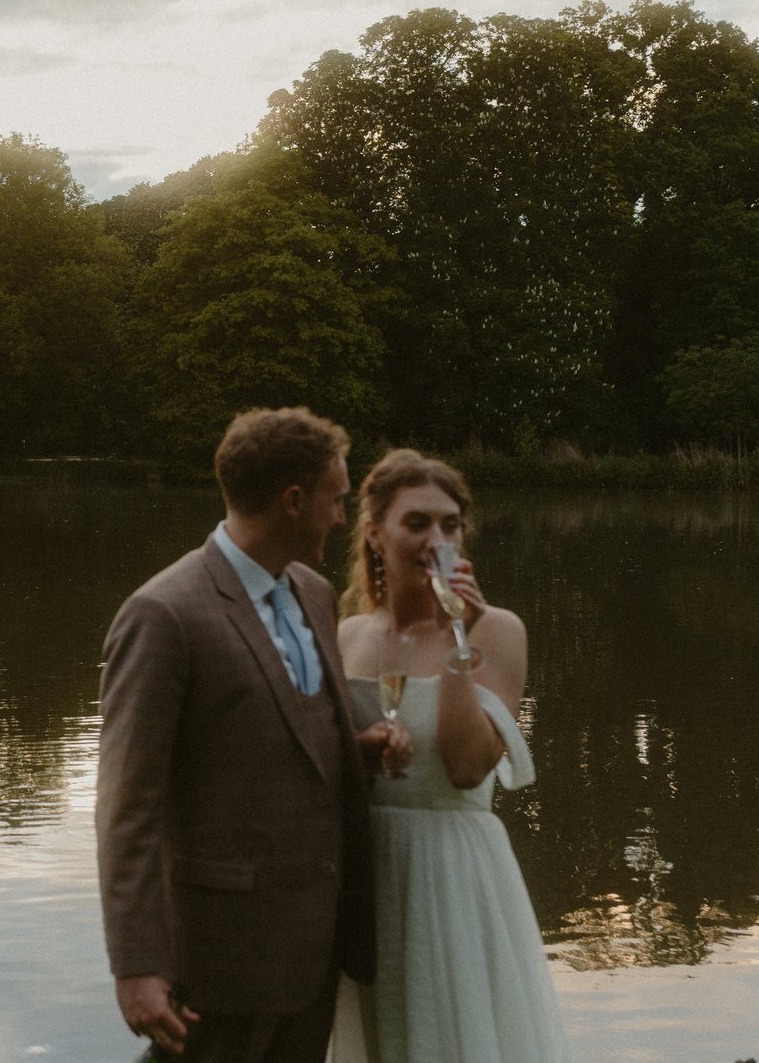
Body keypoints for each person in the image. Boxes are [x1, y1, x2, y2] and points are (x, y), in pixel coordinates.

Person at [97, 407, 401, 1063]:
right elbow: (127, 806)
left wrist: (358, 753)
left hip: (313, 951)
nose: (341, 518)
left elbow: (279, 738)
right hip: (219, 957)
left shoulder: (314, 593)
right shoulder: (164, 613)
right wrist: (137, 965)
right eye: (335, 500)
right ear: (293, 501)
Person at [330, 449, 571, 1063]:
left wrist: (455, 637)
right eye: (417, 523)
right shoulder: (348, 635)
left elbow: (466, 767)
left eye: (450, 525)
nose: (437, 541)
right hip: (366, 871)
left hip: (452, 875)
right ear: (375, 534)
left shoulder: (497, 630)